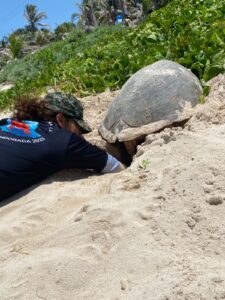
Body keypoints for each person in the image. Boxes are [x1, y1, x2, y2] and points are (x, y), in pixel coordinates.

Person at [0, 92, 125, 201]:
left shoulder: (8, 122)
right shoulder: (64, 141)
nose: (80, 135)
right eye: (78, 128)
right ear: (61, 119)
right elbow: (117, 168)